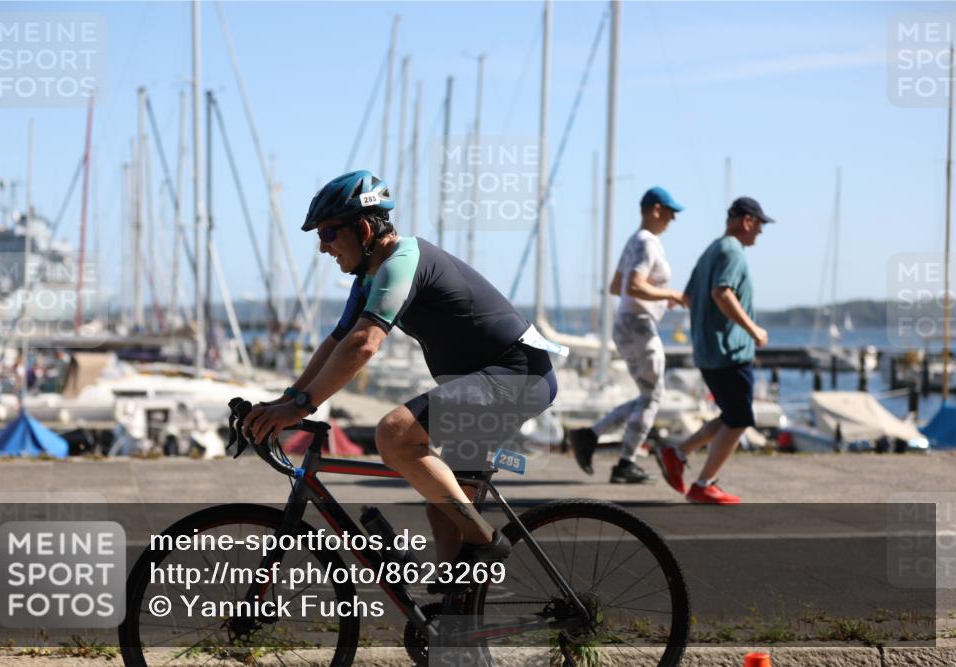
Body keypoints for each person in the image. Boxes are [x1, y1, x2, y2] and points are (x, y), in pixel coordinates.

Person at [244, 170, 558, 580]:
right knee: (442, 500)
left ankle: (487, 542)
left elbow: (363, 344)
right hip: (491, 380)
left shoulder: (401, 261)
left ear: (362, 226)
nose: (322, 248)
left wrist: (303, 405)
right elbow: (336, 344)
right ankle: (453, 618)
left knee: (394, 434)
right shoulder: (369, 277)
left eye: (328, 233)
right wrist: (285, 401)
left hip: (517, 376)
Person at [655, 197, 773, 504]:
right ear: (747, 220)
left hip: (709, 351)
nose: (760, 233)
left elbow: (690, 298)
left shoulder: (711, 250)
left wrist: (704, 325)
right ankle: (703, 484)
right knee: (740, 418)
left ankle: (677, 453)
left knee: (732, 415)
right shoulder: (733, 251)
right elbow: (721, 293)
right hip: (729, 352)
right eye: (759, 225)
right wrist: (753, 330)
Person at [568, 187, 686, 483]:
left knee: (648, 395)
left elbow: (616, 287)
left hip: (626, 324)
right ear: (656, 209)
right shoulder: (649, 243)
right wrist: (670, 293)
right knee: (653, 396)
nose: (673, 220)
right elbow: (632, 286)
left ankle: (590, 436)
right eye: (671, 212)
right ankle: (625, 463)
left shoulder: (635, 240)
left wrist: (658, 298)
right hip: (638, 325)